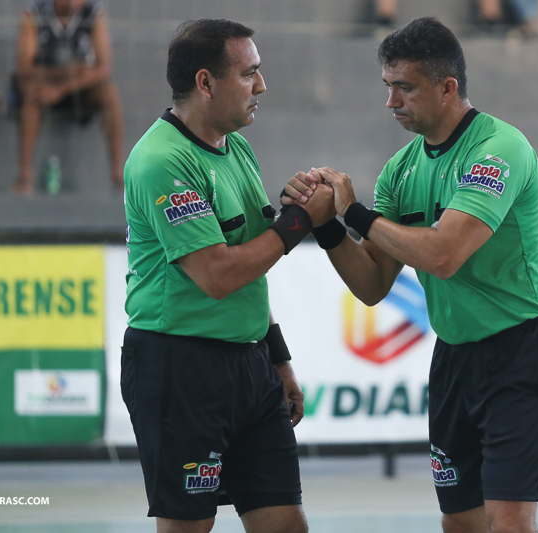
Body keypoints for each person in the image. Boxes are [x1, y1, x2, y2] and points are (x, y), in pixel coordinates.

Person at [283, 17, 538, 533]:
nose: (392, 102)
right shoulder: (400, 170)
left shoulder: (498, 150)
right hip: (455, 354)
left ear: (447, 87)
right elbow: (372, 286)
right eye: (388, 87)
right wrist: (325, 225)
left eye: (405, 88)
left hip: (521, 351)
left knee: (509, 521)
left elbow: (444, 254)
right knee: (459, 520)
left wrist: (358, 214)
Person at [121, 19, 335, 533]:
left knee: (286, 524)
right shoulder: (162, 161)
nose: (261, 87)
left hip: (250, 366)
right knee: (188, 527)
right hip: (180, 369)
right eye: (249, 74)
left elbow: (253, 262)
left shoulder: (234, 145)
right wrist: (303, 219)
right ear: (205, 83)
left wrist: (277, 357)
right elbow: (218, 274)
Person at [13, 0, 124, 194]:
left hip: (78, 88)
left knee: (109, 93)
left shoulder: (94, 14)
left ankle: (118, 176)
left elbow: (104, 69)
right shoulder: (33, 14)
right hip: (45, 83)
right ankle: (24, 177)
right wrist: (70, 71)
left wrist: (61, 88)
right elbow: (24, 67)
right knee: (31, 95)